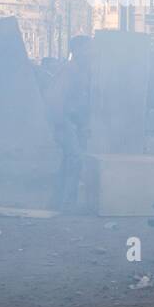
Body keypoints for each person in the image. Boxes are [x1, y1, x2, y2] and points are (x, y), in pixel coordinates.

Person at [45, 37, 92, 210]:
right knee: (75, 159)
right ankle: (67, 203)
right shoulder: (70, 70)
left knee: (68, 160)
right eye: (88, 48)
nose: (91, 52)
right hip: (64, 121)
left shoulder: (82, 71)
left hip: (72, 122)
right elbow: (55, 99)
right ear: (77, 50)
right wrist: (60, 123)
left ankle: (56, 200)